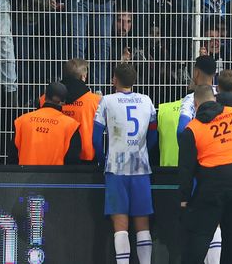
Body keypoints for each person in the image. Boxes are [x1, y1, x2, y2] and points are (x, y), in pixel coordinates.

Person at [177, 84, 232, 264]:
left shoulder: (192, 129)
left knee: (199, 236)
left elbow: (186, 169)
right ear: (215, 98)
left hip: (213, 187)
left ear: (195, 105)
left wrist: (184, 198)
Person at [93, 63, 157, 264]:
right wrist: (144, 152)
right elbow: (153, 136)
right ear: (134, 81)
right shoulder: (146, 100)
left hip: (116, 169)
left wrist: (102, 159)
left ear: (114, 80)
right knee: (142, 225)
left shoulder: (107, 100)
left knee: (120, 225)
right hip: (140, 168)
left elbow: (95, 138)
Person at [11, 82, 82, 165]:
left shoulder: (22, 120)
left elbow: (12, 155)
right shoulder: (70, 125)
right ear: (63, 102)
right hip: (56, 173)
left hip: (25, 172)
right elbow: (72, 159)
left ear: (44, 97)